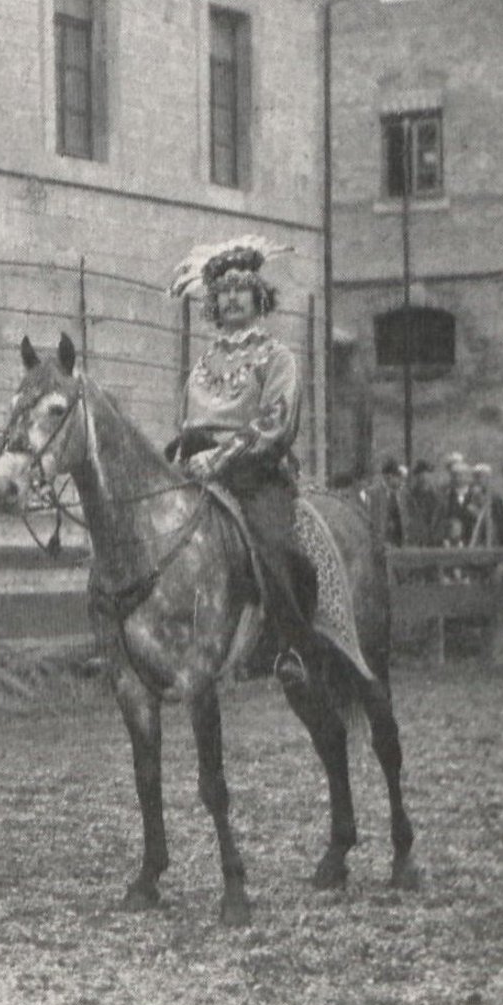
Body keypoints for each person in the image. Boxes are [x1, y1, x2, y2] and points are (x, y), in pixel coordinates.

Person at [167, 236, 319, 677]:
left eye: (241, 288)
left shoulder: (278, 358)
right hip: (194, 469)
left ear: (258, 296)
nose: (232, 297)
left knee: (276, 546)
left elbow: (276, 421)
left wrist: (219, 458)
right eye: (223, 291)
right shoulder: (201, 365)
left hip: (252, 472)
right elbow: (185, 419)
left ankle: (290, 648)